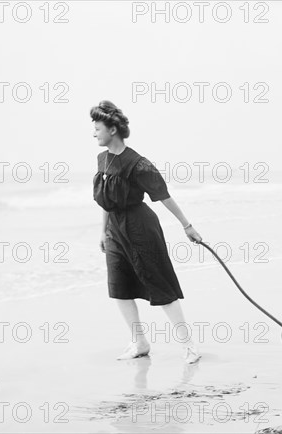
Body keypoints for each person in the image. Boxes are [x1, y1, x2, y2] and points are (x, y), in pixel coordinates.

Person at [91, 100, 203, 363]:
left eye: (98, 128)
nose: (94, 133)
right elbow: (106, 200)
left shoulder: (138, 163)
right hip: (114, 231)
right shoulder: (101, 159)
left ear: (113, 130)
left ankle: (189, 346)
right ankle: (139, 342)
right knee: (120, 287)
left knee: (159, 285)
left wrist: (187, 226)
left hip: (140, 227)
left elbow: (164, 196)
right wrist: (102, 231)